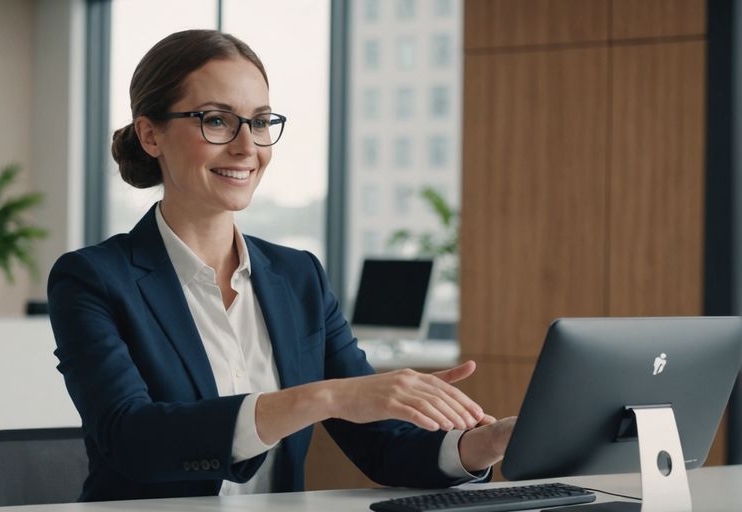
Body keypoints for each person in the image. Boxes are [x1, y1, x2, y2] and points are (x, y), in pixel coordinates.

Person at [47, 29, 514, 503]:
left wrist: (487, 444)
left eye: (260, 121)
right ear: (151, 135)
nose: (247, 146)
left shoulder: (299, 278)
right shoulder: (92, 279)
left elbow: (383, 445)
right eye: (216, 120)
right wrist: (326, 397)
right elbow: (133, 440)